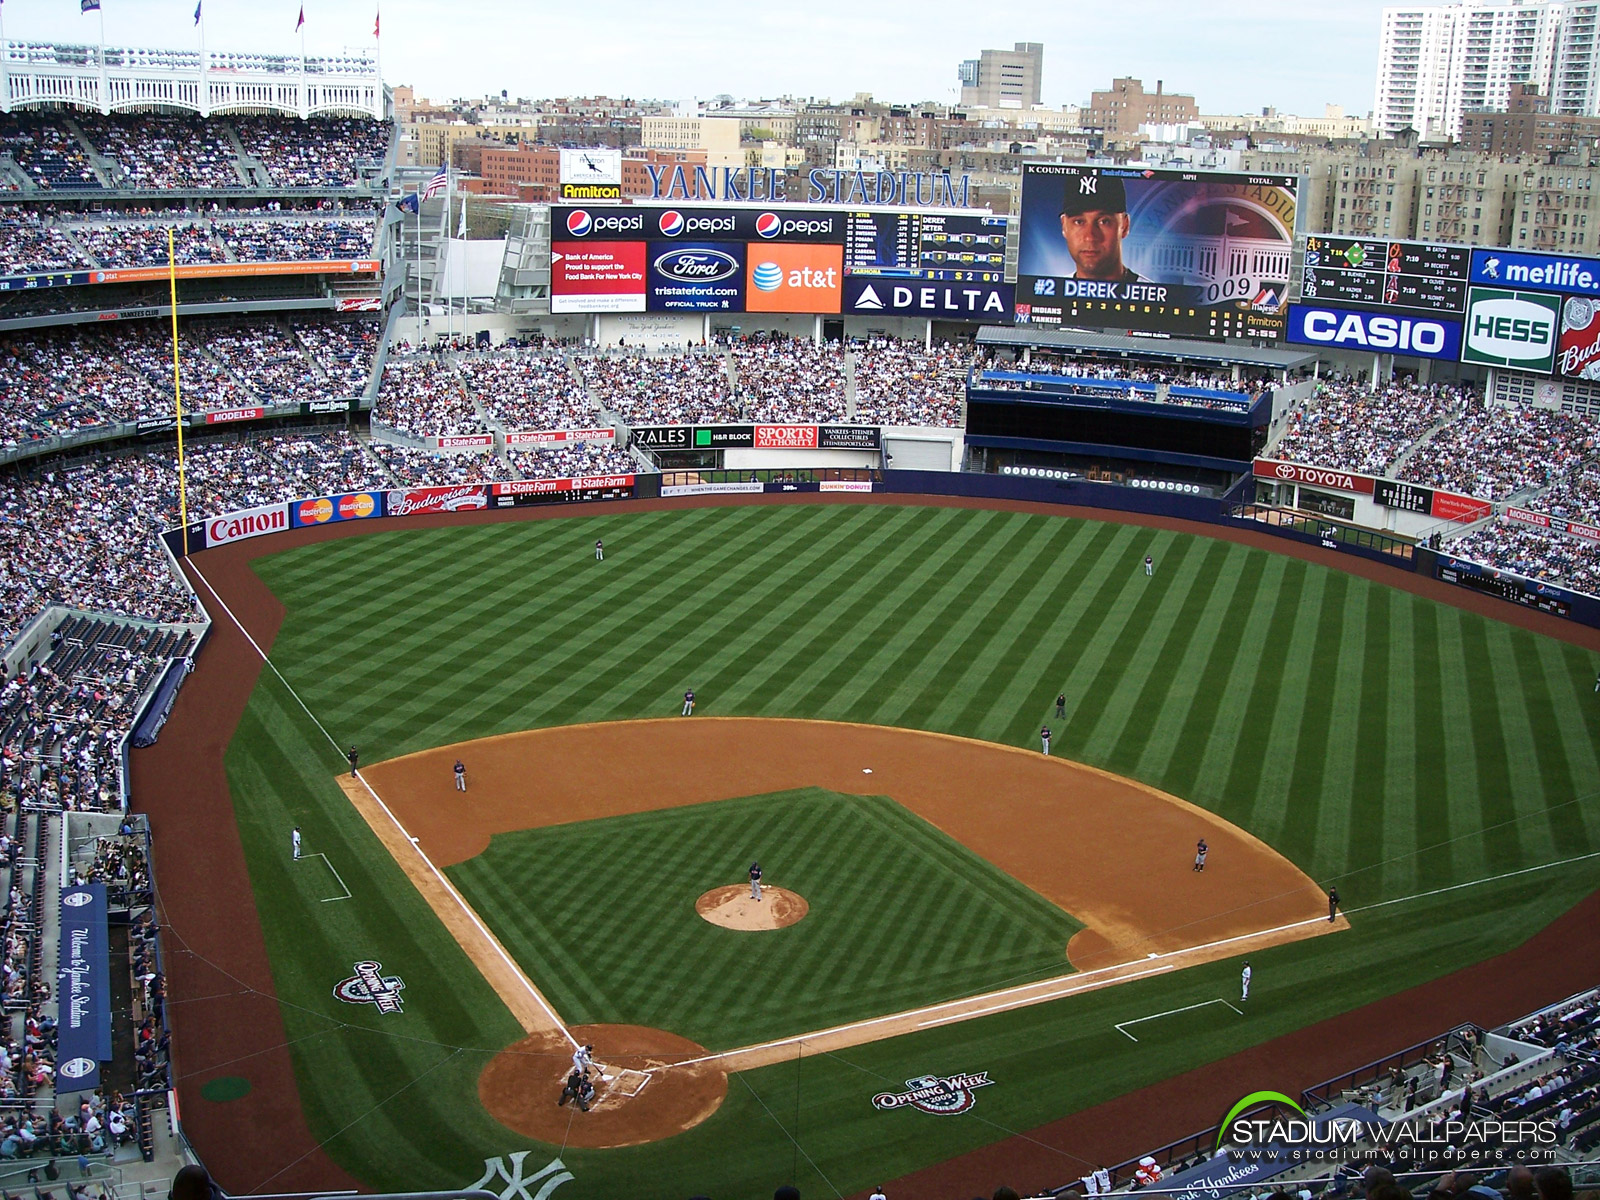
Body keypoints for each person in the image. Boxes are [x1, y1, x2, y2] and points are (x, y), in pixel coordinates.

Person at [1059, 175, 1144, 283]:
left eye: (1104, 221)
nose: (1090, 237)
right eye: (1079, 222)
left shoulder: (1153, 295)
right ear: (1064, 226)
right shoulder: (1049, 295)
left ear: (1124, 226)